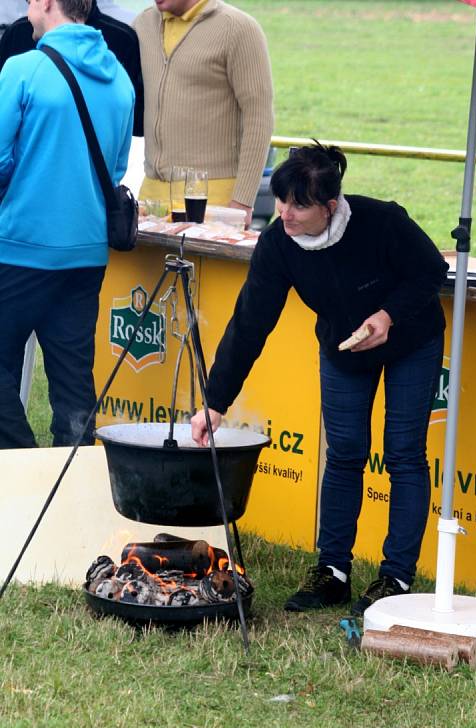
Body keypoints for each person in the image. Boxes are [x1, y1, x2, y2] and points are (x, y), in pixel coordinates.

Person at [191, 142, 448, 616]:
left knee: (404, 453)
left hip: (411, 338)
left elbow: (432, 270)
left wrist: (388, 315)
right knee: (345, 452)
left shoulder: (381, 221)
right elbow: (250, 322)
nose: (285, 214)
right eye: (281, 200)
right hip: (342, 347)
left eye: (299, 205)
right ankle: (332, 572)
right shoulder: (279, 243)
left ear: (330, 207)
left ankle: (395, 577)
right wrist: (215, 400)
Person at [0, 0, 134, 449]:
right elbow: (115, 171)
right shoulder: (119, 78)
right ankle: (67, 494)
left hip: (18, 247)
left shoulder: (22, 69)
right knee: (74, 385)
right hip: (86, 253)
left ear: (46, 3)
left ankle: (24, 471)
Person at [133, 0, 274, 227]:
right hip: (150, 198)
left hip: (214, 201)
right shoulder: (142, 24)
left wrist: (243, 201)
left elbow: (259, 116)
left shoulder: (238, 28)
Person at [0, 0, 143, 136]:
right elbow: (126, 142)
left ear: (46, 2)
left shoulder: (17, 54)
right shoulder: (121, 65)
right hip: (102, 160)